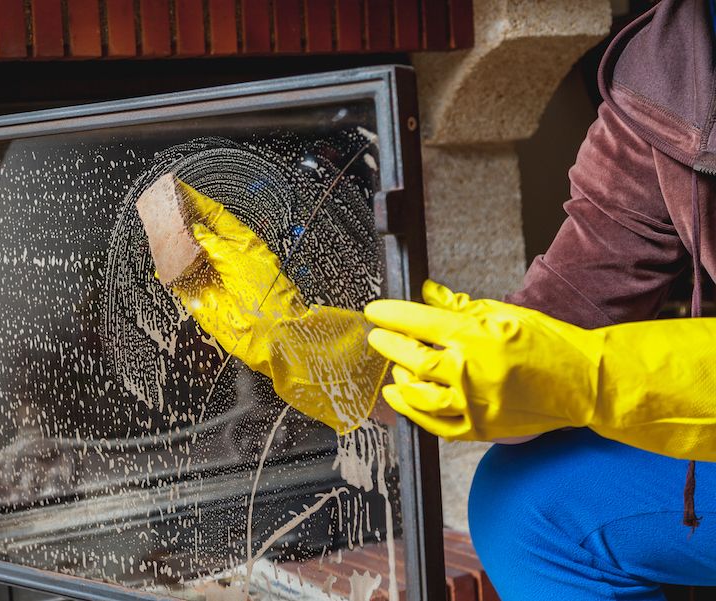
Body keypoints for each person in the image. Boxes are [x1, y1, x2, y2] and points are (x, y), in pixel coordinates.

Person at [166, 2, 716, 598]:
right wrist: (357, 367)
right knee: (524, 507)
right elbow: (566, 310)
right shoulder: (669, 70)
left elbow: (576, 365)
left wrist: (594, 375)